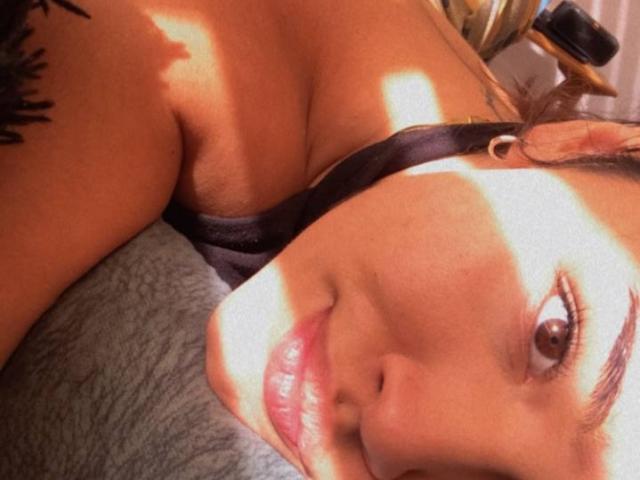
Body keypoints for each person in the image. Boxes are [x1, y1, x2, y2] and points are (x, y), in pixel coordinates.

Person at [1, 1, 639, 479]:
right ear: (576, 142)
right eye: (553, 335)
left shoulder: (499, 169)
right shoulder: (146, 41)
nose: (394, 436)